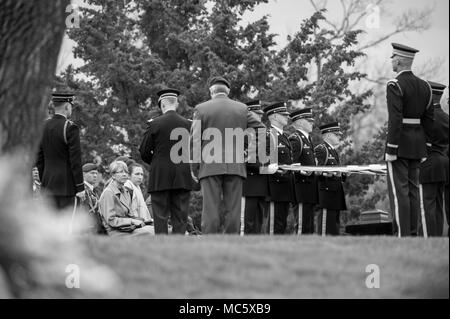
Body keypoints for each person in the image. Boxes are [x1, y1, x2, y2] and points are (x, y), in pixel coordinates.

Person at [190, 77, 263, 234]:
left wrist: (194, 166)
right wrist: (249, 153)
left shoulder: (201, 109)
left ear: (211, 91)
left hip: (209, 165)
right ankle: (232, 242)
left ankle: (210, 243)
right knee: (234, 210)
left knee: (210, 210)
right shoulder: (242, 109)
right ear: (228, 91)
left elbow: (195, 140)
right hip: (235, 165)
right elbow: (261, 129)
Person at [385, 43, 434, 237]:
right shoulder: (425, 86)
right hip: (418, 146)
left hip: (399, 145)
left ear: (398, 60)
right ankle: (412, 233)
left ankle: (402, 234)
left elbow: (395, 119)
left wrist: (391, 148)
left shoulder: (394, 84)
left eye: (393, 58)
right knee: (413, 191)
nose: (391, 61)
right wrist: (426, 146)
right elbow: (429, 121)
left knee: (400, 192)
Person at [140, 88, 195, 235]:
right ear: (176, 104)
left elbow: (144, 152)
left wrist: (157, 162)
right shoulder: (189, 124)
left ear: (162, 105)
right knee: (181, 217)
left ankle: (162, 247)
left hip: (160, 175)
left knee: (160, 217)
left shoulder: (154, 124)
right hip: (182, 175)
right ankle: (178, 248)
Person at [36, 92, 85, 211]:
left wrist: (45, 182)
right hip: (67, 187)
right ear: (67, 106)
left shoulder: (43, 126)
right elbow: (75, 161)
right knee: (68, 227)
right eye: (71, 106)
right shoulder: (70, 127)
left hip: (48, 186)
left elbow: (39, 159)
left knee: (49, 226)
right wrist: (80, 188)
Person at [420, 82, 449, 237]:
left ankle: (429, 237)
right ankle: (437, 237)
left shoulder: (426, 118)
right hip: (444, 165)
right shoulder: (446, 118)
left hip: (429, 165)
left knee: (427, 206)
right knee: (438, 205)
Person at [264, 101, 296, 235]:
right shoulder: (267, 135)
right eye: (283, 115)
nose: (287, 117)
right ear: (274, 117)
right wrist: (276, 169)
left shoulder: (285, 137)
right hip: (274, 187)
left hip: (285, 187)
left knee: (281, 225)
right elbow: (262, 164)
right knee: (273, 227)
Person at [98, 161, 153, 236]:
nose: (124, 174)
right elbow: (111, 220)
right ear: (113, 175)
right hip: (116, 231)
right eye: (120, 172)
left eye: (126, 172)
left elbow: (130, 215)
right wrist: (131, 221)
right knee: (152, 232)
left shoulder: (125, 191)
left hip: (128, 228)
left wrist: (144, 221)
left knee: (157, 228)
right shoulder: (108, 193)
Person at [242, 100, 270, 234]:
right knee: (246, 224)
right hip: (247, 185)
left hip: (260, 184)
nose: (259, 117)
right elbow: (245, 159)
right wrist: (264, 168)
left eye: (260, 114)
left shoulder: (262, 135)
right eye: (256, 114)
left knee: (258, 225)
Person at [288, 108, 318, 235]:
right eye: (309, 121)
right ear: (299, 123)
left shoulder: (308, 139)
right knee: (302, 226)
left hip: (310, 188)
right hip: (300, 188)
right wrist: (302, 172)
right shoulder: (296, 139)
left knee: (309, 226)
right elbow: (290, 164)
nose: (312, 123)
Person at [314, 122, 347, 236]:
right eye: (336, 134)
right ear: (328, 135)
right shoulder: (321, 149)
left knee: (334, 228)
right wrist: (333, 174)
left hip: (335, 194)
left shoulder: (333, 151)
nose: (339, 137)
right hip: (326, 194)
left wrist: (344, 173)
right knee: (325, 229)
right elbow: (317, 171)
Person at [80, 163, 106, 234]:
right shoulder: (83, 190)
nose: (95, 176)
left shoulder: (93, 189)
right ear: (83, 174)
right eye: (92, 173)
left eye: (96, 173)